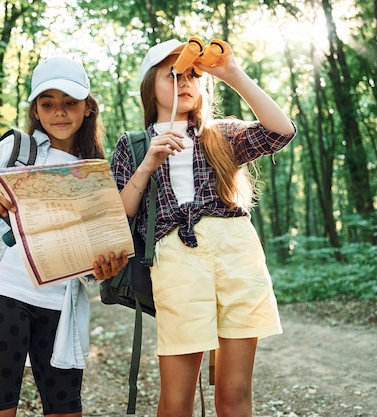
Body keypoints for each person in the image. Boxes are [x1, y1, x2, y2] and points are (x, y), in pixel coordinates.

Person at [110, 39, 297, 417]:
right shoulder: (132, 145)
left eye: (194, 74)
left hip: (236, 252)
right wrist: (148, 163)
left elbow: (280, 132)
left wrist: (231, 73)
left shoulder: (221, 134)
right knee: (176, 401)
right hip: (176, 259)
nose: (185, 81)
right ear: (150, 85)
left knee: (234, 394)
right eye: (173, 74)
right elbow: (118, 215)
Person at [0, 56, 128, 417]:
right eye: (48, 104)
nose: (59, 113)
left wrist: (102, 270)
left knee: (65, 410)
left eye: (70, 103)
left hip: (61, 308)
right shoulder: (15, 150)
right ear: (35, 109)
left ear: (88, 107)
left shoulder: (94, 171)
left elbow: (91, 259)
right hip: (5, 296)